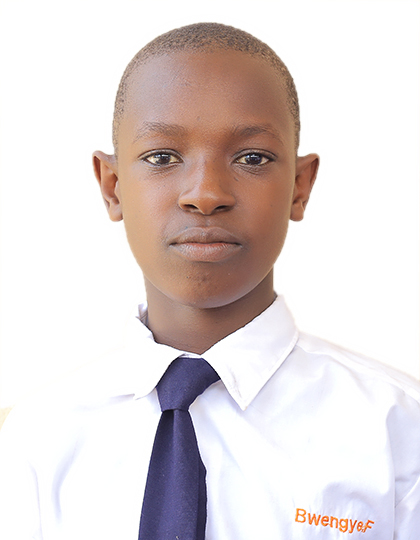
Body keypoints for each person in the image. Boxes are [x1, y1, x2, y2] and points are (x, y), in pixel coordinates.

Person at [0, 22, 419, 540]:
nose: (205, 194)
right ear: (112, 186)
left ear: (299, 186)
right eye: (162, 157)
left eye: (252, 158)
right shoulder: (35, 441)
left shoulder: (399, 433)